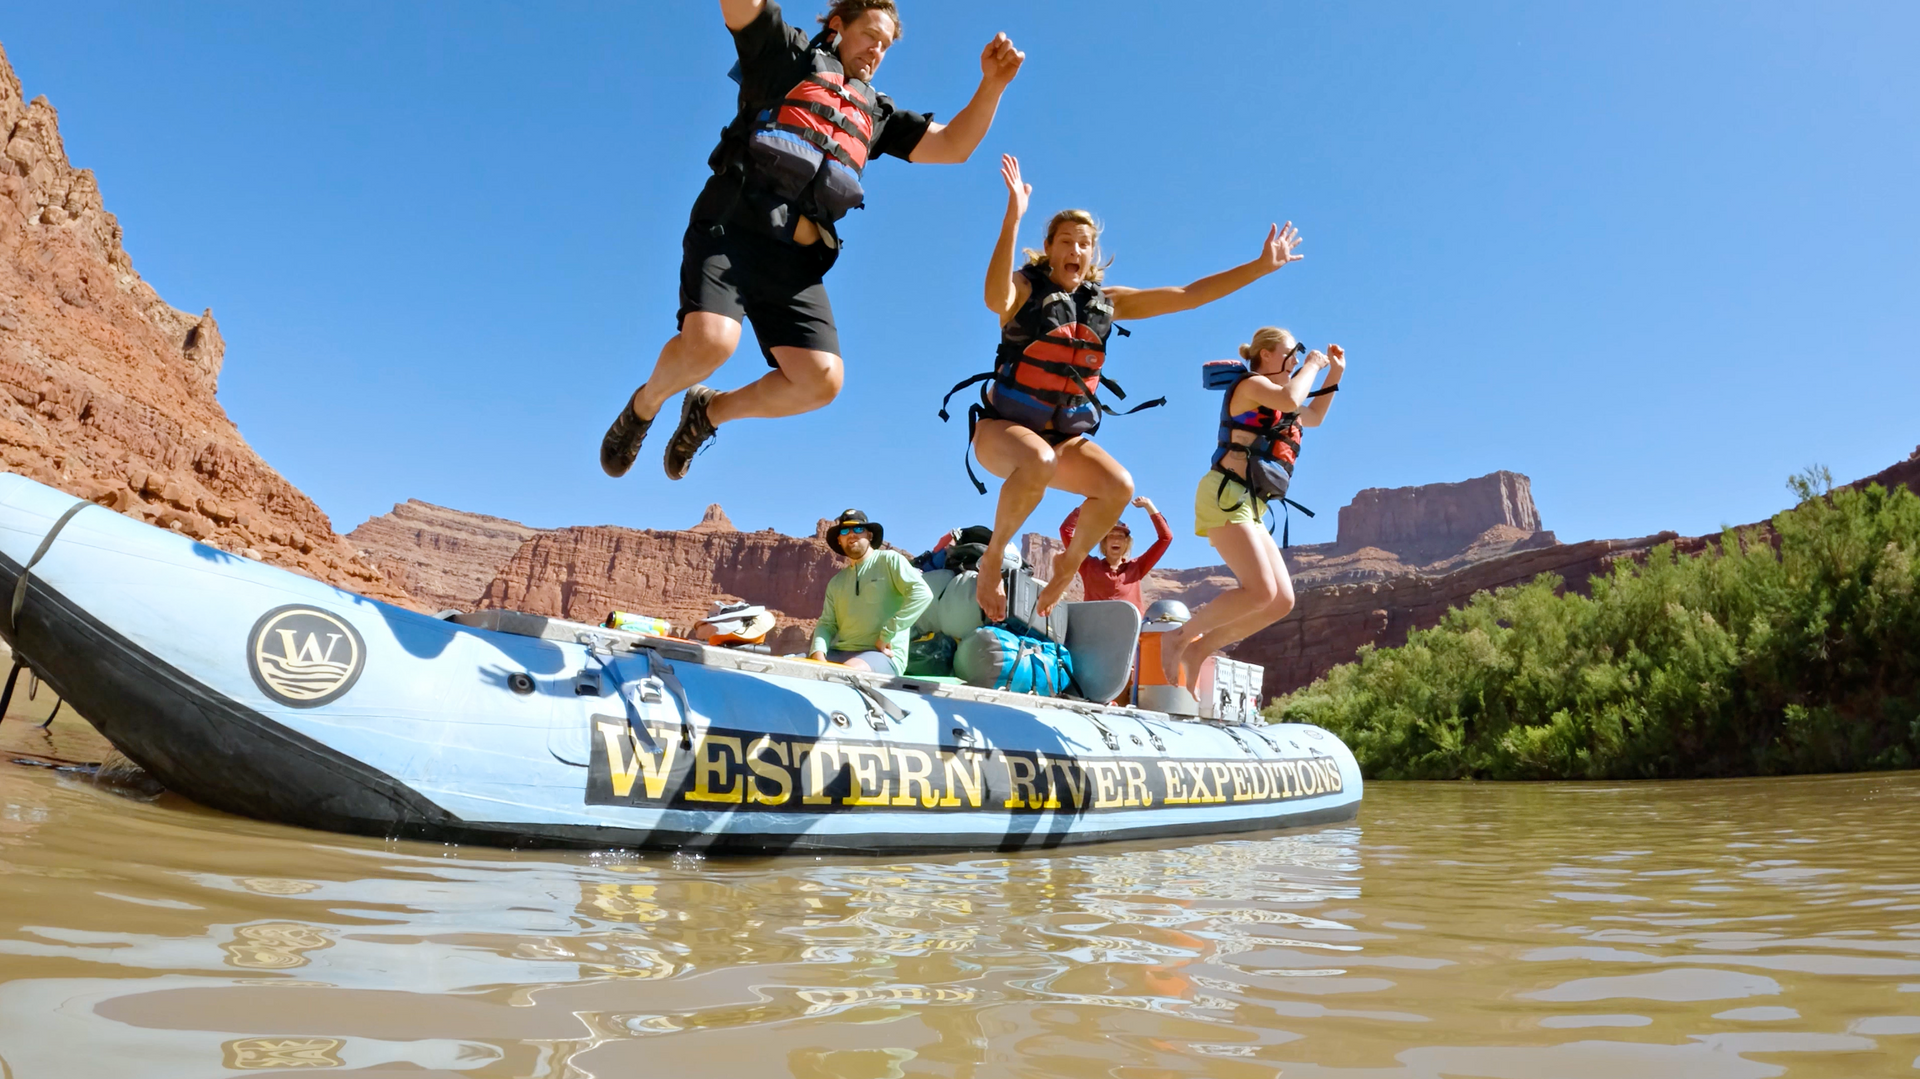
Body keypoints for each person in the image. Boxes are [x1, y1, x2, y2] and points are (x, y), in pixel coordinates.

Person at [600, 0, 1025, 482]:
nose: (876, 50)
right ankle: (644, 406)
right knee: (711, 344)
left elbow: (954, 146)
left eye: (885, 45)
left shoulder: (877, 113)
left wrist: (993, 84)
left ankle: (709, 413)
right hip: (732, 227)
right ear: (838, 26)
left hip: (793, 262)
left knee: (822, 380)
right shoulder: (786, 56)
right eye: (870, 35)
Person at [958, 154, 1305, 623]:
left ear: (1092, 254)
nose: (1075, 250)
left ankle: (1069, 563)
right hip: (1002, 432)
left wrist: (1259, 267)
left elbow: (1188, 295)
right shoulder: (1024, 288)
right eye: (1066, 241)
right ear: (1049, 248)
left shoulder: (1106, 302)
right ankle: (993, 559)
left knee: (1119, 485)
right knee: (1038, 460)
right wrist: (1012, 218)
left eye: (1084, 243)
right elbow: (993, 298)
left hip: (1062, 440)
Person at [1160, 328, 1345, 692]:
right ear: (1266, 355)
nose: (1296, 360)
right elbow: (1291, 398)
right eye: (1291, 353)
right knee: (1259, 591)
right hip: (1224, 494)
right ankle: (1179, 637)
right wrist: (1312, 365)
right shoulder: (1251, 386)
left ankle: (1199, 650)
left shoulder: (1278, 401)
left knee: (1280, 601)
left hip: (1252, 504)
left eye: (1299, 355)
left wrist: (1334, 373)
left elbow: (1314, 416)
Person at [809, 508, 933, 674]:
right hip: (839, 652)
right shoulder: (836, 582)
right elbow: (827, 624)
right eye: (844, 531)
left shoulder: (889, 560)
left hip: (882, 655)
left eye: (858, 529)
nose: (851, 534)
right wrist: (818, 654)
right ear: (839, 540)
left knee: (845, 673)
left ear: (870, 535)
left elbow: (922, 594)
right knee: (787, 666)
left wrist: (887, 634)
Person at [1058, 496, 1171, 615]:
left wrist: (1149, 505)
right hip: (1095, 625)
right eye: (1111, 536)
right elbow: (1065, 530)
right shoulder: (1088, 566)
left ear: (1126, 543)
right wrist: (1087, 505)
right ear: (1104, 542)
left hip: (1128, 626)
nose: (1116, 540)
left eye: (1120, 536)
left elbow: (1166, 538)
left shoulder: (1136, 567)